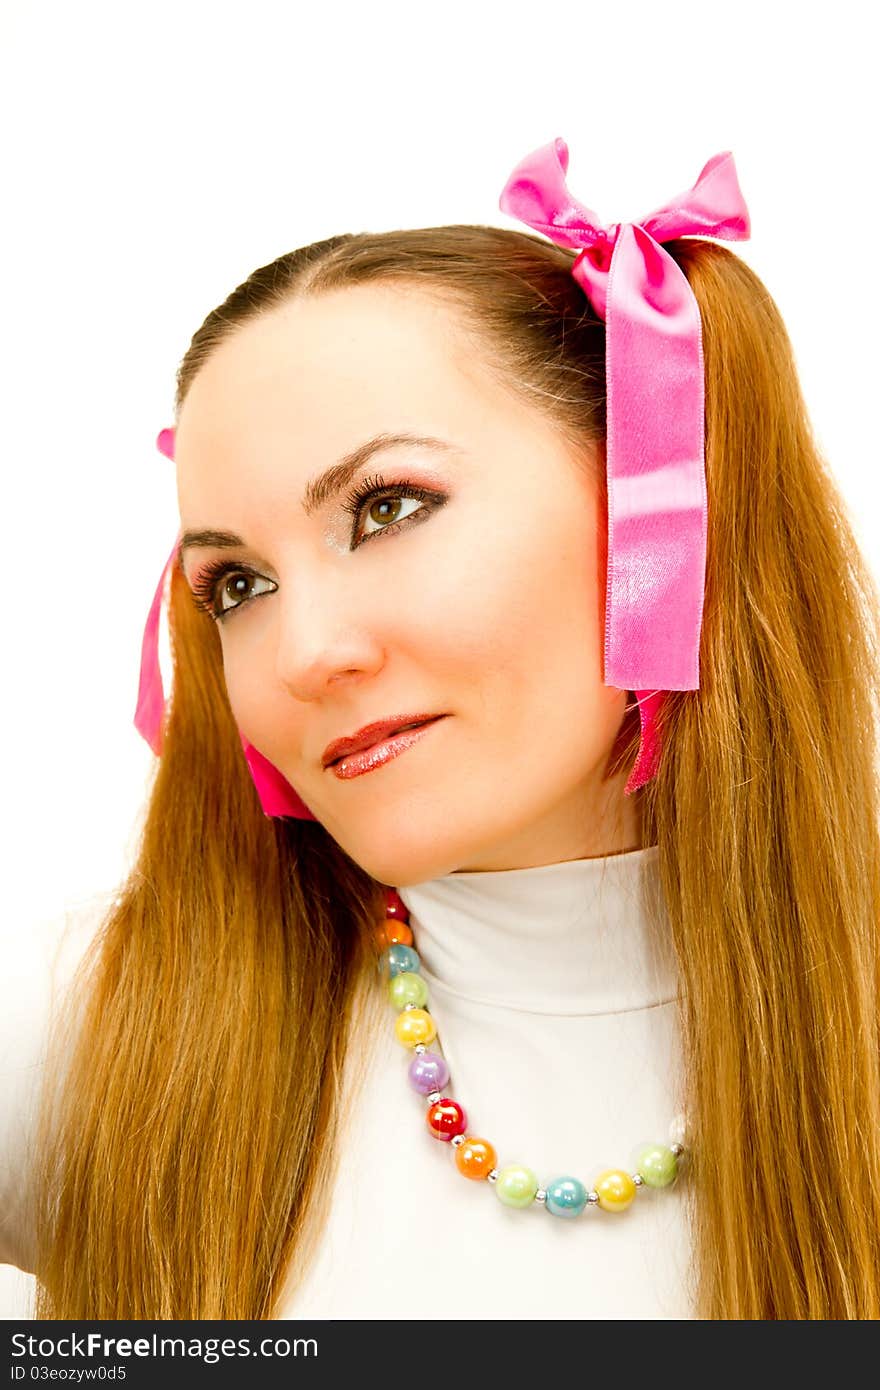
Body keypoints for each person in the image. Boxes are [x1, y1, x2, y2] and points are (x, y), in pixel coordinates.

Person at [3, 140, 879, 1321]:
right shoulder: (84, 1027)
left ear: (657, 495)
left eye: (388, 507)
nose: (307, 655)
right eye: (237, 583)